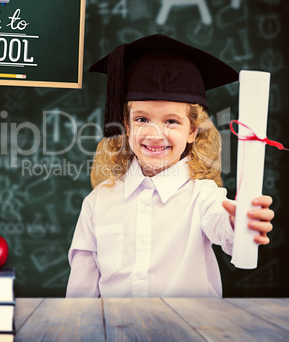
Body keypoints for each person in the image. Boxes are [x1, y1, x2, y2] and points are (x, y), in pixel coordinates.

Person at [66, 34, 274, 298]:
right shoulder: (98, 202)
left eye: (172, 122)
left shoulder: (203, 196)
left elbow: (224, 228)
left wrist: (240, 223)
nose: (155, 133)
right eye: (142, 119)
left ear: (193, 131)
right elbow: (80, 296)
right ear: (126, 127)